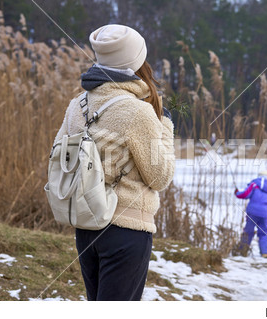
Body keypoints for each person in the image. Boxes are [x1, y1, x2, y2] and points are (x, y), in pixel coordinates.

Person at [53, 24, 175, 300]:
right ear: (136, 61)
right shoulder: (138, 112)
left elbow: (60, 157)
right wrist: (165, 126)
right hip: (127, 231)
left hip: (86, 227)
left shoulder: (78, 105)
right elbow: (160, 177)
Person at [234, 170, 267, 258]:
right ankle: (266, 252)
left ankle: (242, 251)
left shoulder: (254, 185)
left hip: (253, 212)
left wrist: (237, 193)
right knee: (264, 232)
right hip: (265, 213)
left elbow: (245, 194)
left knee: (248, 231)